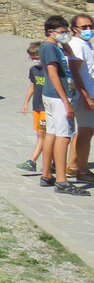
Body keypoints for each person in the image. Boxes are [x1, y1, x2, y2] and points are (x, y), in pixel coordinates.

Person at [39, 15, 88, 195]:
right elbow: (53, 74)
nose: (65, 35)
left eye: (67, 32)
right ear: (50, 32)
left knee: (52, 133)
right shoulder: (50, 48)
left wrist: (65, 42)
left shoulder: (55, 47)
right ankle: (61, 179)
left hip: (52, 96)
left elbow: (70, 55)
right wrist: (66, 102)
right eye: (61, 32)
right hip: (58, 97)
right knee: (64, 135)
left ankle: (46, 174)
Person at [66, 13, 94, 183]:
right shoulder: (77, 45)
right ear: (75, 29)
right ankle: (82, 171)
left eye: (90, 26)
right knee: (86, 132)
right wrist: (86, 97)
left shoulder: (86, 44)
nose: (88, 30)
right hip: (83, 95)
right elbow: (75, 73)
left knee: (85, 131)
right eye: (84, 27)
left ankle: (73, 164)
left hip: (89, 92)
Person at [17, 42, 47, 172]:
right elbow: (32, 87)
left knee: (42, 134)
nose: (35, 60)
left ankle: (33, 161)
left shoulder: (49, 69)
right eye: (32, 58)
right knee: (40, 134)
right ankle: (50, 161)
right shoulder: (33, 70)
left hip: (46, 106)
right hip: (37, 105)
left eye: (36, 57)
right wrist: (26, 103)